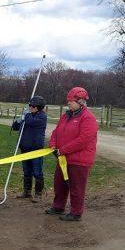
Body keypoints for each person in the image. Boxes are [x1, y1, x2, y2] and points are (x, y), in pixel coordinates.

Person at [45, 87, 98, 221]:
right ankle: (58, 206)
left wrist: (62, 150)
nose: (68, 103)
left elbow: (83, 140)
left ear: (81, 102)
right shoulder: (66, 116)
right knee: (59, 183)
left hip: (79, 160)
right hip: (63, 158)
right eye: (68, 101)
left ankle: (76, 212)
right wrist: (53, 145)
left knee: (76, 187)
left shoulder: (88, 118)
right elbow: (56, 132)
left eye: (71, 101)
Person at [11, 96, 48, 202]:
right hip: (25, 147)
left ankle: (38, 194)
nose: (30, 107)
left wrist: (25, 115)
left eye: (32, 105)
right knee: (27, 171)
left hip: (36, 149)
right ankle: (27, 192)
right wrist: (19, 120)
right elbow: (15, 127)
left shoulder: (41, 117)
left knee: (37, 172)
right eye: (29, 105)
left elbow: (31, 122)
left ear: (39, 107)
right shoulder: (27, 116)